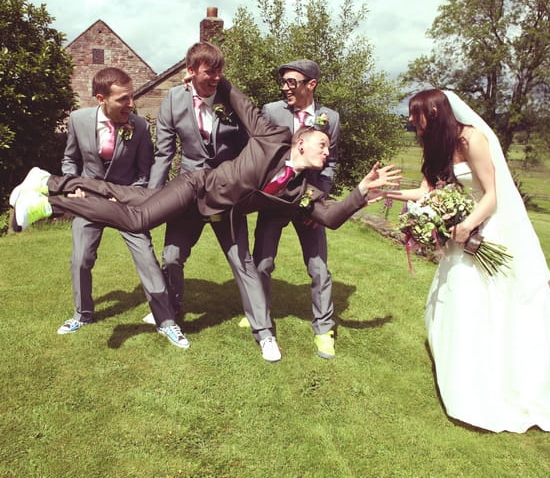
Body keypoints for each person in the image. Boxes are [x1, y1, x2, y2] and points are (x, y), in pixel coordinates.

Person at [12, 77, 400, 362]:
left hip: (223, 212)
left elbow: (331, 217)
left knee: (136, 201)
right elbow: (239, 100)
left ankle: (46, 185)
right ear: (300, 141)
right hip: (196, 188)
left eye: (328, 146)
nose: (326, 150)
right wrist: (206, 74)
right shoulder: (273, 136)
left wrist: (362, 192)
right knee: (139, 221)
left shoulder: (301, 192)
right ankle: (50, 198)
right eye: (322, 143)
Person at [383, 88, 550, 433]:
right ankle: (463, 375)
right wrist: (384, 193)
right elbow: (427, 191)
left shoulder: (472, 140)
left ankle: (499, 379)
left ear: (435, 113)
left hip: (487, 228)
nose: (411, 120)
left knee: (491, 302)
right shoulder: (435, 145)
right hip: (461, 232)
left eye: (415, 113)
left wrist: (468, 225)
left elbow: (493, 194)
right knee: (456, 298)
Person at [9, 67, 189, 348]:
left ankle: (166, 322)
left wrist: (127, 197)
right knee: (81, 258)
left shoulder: (139, 127)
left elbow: (144, 172)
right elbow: (70, 160)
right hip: (88, 200)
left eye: (131, 98)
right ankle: (83, 314)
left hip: (125, 204)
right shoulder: (78, 120)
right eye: (123, 99)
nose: (131, 104)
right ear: (100, 98)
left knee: (147, 260)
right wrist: (74, 186)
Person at [146, 42, 270, 345]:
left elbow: (252, 142)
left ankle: (264, 333)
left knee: (242, 261)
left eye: (220, 71)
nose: (216, 77)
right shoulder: (173, 100)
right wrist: (153, 198)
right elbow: (164, 153)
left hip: (227, 192)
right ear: (190, 71)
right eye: (209, 71)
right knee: (172, 256)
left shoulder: (231, 99)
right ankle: (172, 307)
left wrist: (244, 181)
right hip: (188, 190)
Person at [254, 59, 340, 359]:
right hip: (277, 200)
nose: (285, 87)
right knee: (262, 264)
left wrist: (318, 199)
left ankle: (323, 329)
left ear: (311, 84)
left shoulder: (331, 117)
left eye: (292, 82)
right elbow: (264, 155)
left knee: (318, 268)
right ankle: (259, 315)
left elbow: (331, 163)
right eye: (284, 82)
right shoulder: (271, 111)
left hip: (310, 202)